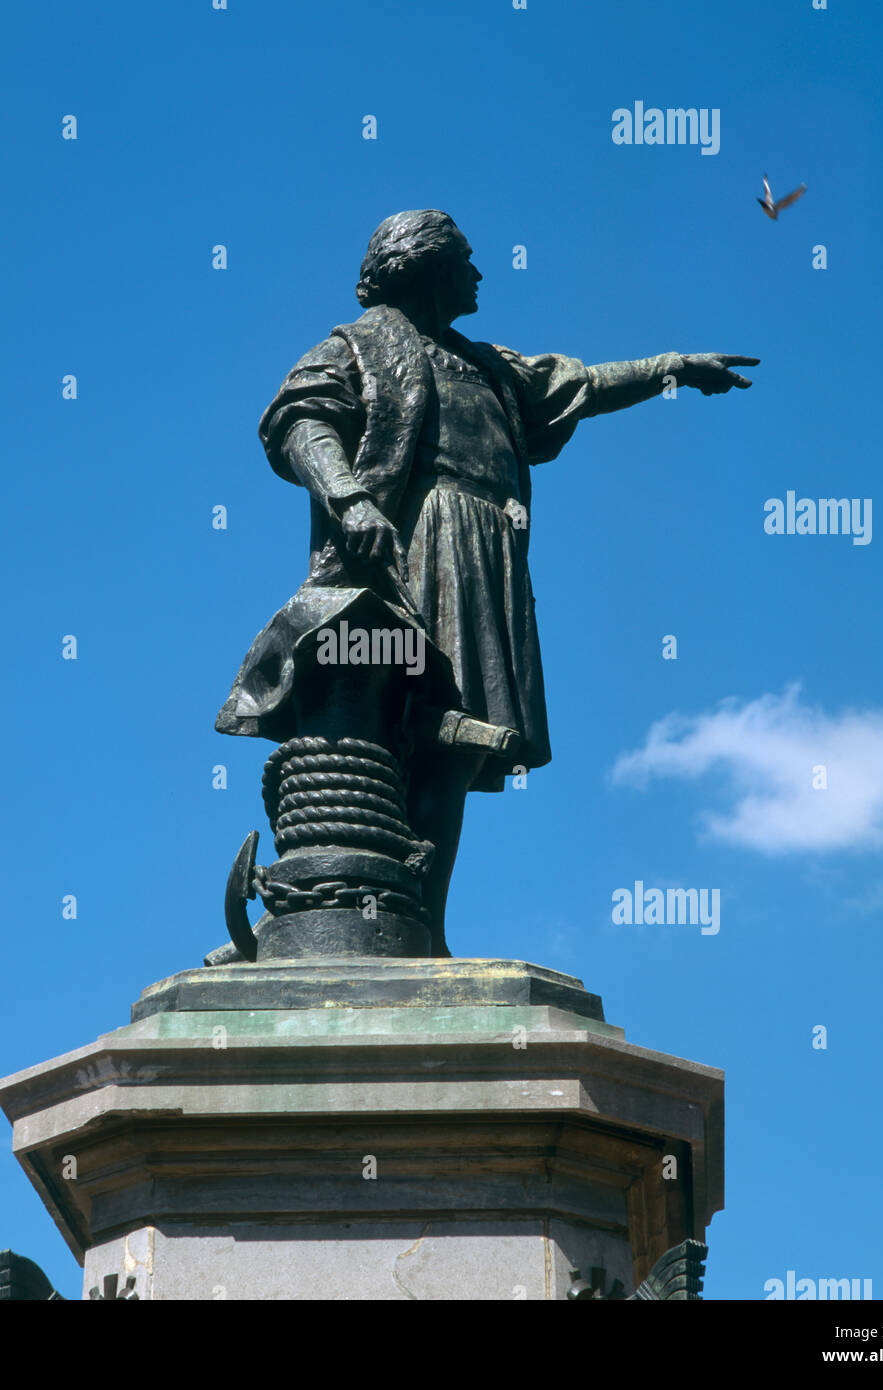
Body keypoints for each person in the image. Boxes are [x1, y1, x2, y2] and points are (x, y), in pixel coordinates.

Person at [218, 209, 758, 954]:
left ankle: (415, 927)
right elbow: (300, 422)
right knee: (389, 721)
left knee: (457, 743)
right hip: (414, 541)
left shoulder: (486, 365)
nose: (479, 274)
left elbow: (579, 384)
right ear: (423, 266)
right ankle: (325, 910)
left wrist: (669, 366)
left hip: (485, 551)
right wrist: (348, 497)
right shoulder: (359, 344)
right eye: (466, 260)